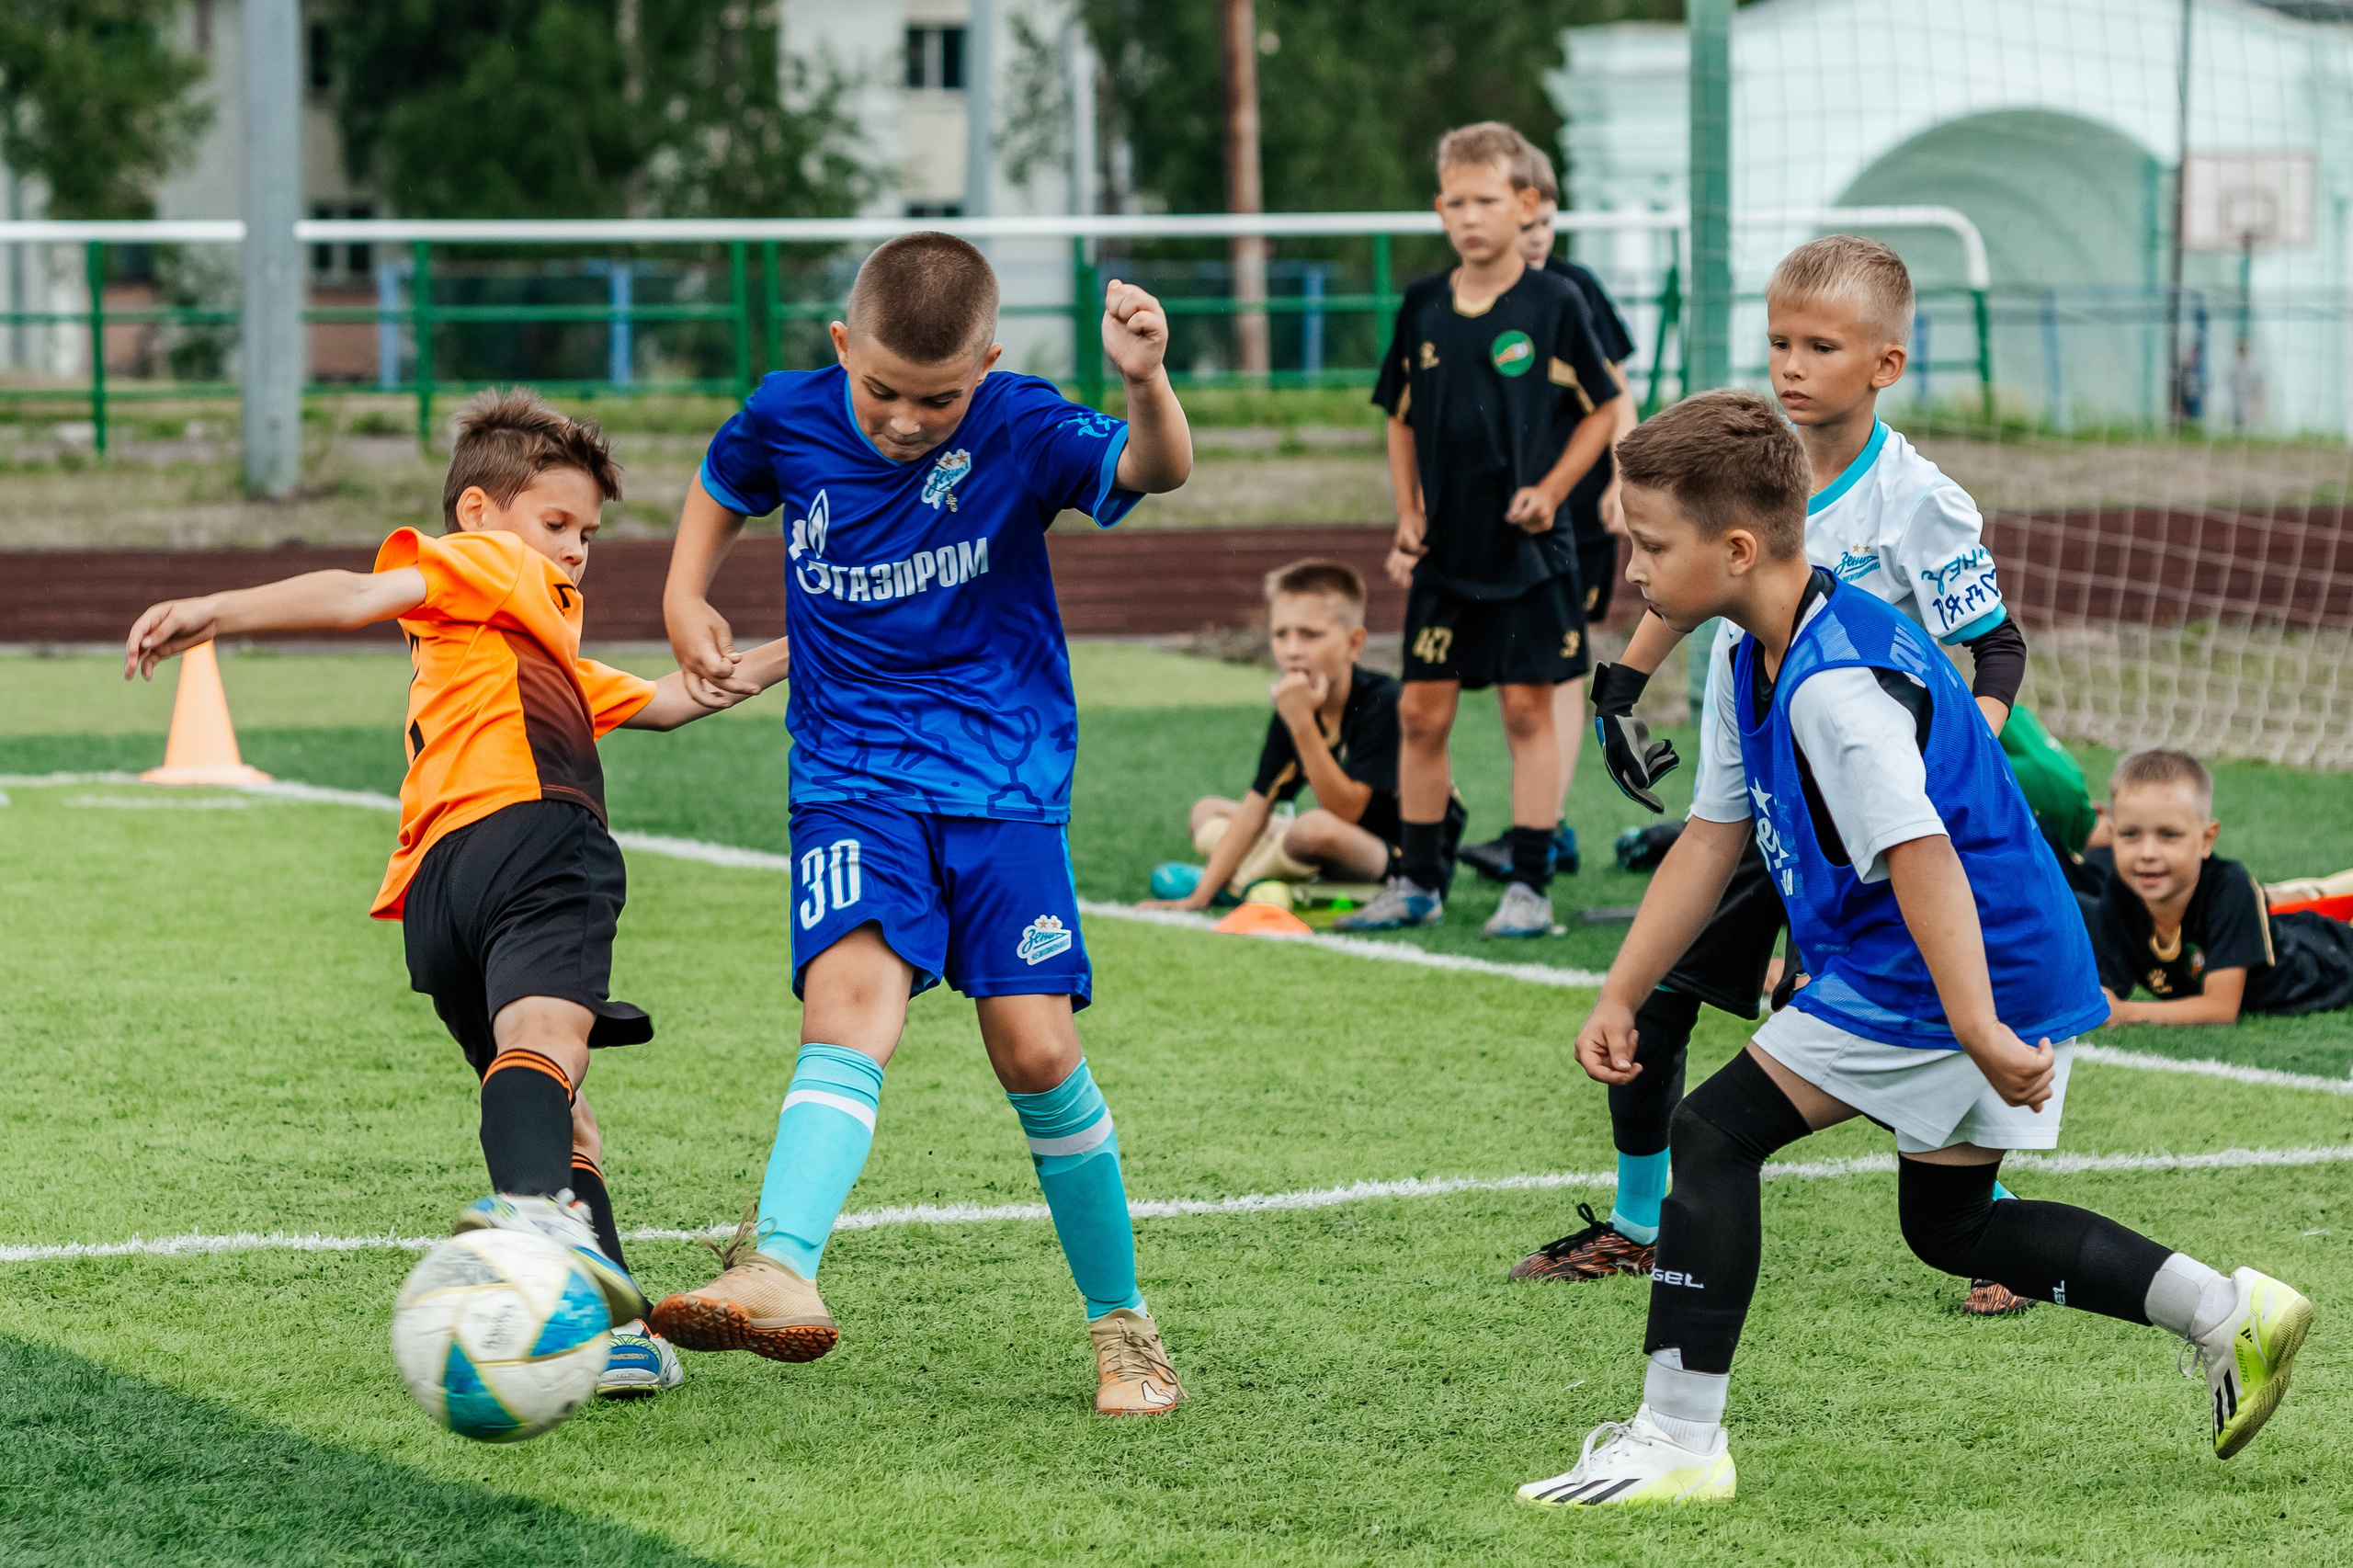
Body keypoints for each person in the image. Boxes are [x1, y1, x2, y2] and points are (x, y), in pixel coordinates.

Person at [1518, 391, 2312, 1507]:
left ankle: (1678, 1438)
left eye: (1650, 544)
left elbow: (1924, 854)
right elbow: (1709, 838)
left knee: (1711, 1133)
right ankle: (2230, 1314)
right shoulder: (1757, 645)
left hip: (1954, 961)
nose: (1634, 572)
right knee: (1951, 1227)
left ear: (1736, 547)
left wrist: (1980, 1025)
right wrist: (1620, 989)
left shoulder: (1836, 685)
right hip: (1964, 954)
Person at [122, 389, 791, 1399]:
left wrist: (812, 647)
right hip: (535, 837)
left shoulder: (518, 644)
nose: (573, 550)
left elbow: (672, 698)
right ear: (479, 513)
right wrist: (217, 610)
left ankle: (611, 1332)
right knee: (548, 1047)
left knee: (558, 1104)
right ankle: (531, 1220)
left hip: (438, 892)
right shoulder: (487, 564)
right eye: (555, 523)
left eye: (588, 534)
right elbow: (357, 592)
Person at [652, 233, 1197, 1415]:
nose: (904, 418)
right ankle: (780, 1264)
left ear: (988, 365)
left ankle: (1123, 1324)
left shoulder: (1021, 423)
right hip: (848, 772)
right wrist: (685, 592)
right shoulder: (787, 415)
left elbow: (1154, 472)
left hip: (1003, 783)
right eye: (882, 389)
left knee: (1035, 1050)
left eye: (937, 397)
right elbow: (723, 482)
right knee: (850, 1001)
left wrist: (1144, 380)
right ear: (844, 348)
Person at [1512, 236, 2035, 1321]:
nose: (1791, 365)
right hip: (1752, 794)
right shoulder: (1747, 464)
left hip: (1860, 820)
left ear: (1884, 364)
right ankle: (1637, 1222)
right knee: (1654, 1000)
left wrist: (1952, 767)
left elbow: (1995, 652)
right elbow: (1677, 579)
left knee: (1881, 1015)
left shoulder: (1917, 500)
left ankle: (1990, 1220)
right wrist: (1620, 689)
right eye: (1778, 343)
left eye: (1819, 345)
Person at [1339, 120, 1622, 940]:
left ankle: (1529, 886)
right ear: (1439, 209)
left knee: (1528, 713)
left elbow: (1605, 409)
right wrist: (1408, 513)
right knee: (1421, 715)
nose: (1470, 217)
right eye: (1456, 202)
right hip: (1446, 560)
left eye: (1487, 201)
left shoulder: (1555, 303)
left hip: (1533, 556)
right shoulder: (1423, 304)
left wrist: (1554, 489)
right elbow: (1397, 417)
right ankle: (1417, 879)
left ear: (1524, 204)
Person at [1457, 135, 1640, 891]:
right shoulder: (1467, 296)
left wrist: (1622, 479)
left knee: (1557, 674)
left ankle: (1549, 828)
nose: (1530, 244)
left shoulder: (1571, 292)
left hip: (1570, 515)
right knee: (1518, 678)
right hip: (1501, 518)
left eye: (1540, 228)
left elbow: (1617, 392)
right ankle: (1542, 823)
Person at [1142, 559, 1461, 912]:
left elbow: (1346, 811)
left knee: (1312, 829)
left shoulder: (1384, 701)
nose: (1292, 650)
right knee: (1207, 811)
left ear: (1354, 643)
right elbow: (1257, 806)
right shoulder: (1295, 704)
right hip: (1332, 843)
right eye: (1281, 634)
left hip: (1401, 859)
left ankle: (1239, 882)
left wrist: (1302, 724)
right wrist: (1197, 899)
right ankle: (1239, 883)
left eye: (1310, 635)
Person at [2091, 748, 2353, 1024]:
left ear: (2206, 839)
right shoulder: (2119, 891)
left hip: (2334, 962)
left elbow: (2220, 1008)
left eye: (2169, 835)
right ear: (2112, 835)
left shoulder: (2229, 886)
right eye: (2130, 834)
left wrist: (2126, 1012)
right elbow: (2105, 992)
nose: (2147, 852)